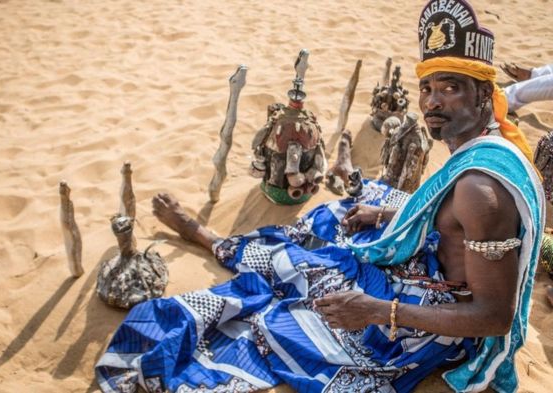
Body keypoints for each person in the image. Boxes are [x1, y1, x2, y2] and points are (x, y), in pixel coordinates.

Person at [95, 1, 544, 392]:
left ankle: (208, 239)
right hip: (427, 267)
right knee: (333, 219)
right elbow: (448, 218)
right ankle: (221, 242)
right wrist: (386, 213)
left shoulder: (481, 190)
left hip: (435, 316)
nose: (432, 102)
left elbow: (493, 316)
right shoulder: (484, 152)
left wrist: (376, 310)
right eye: (427, 88)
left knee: (292, 301)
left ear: (485, 94)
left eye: (451, 87)